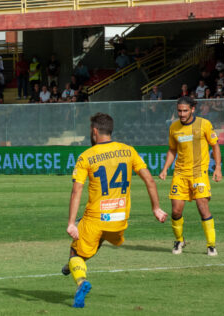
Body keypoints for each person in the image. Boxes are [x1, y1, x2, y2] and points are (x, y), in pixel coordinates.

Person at [64, 112, 167, 308]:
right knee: (98, 238)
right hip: (120, 219)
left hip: (96, 218)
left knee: (74, 251)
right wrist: (156, 208)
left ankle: (80, 280)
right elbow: (150, 180)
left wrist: (71, 223)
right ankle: (75, 266)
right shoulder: (128, 151)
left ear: (94, 131)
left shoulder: (87, 156)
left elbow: (76, 189)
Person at [159, 96, 221, 256]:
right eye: (179, 110)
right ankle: (179, 240)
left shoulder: (204, 124)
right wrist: (165, 168)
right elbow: (172, 149)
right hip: (180, 174)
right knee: (176, 211)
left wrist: (218, 168)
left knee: (202, 207)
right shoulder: (174, 127)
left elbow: (215, 145)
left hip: (199, 173)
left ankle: (211, 245)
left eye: (185, 110)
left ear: (193, 109)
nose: (181, 113)